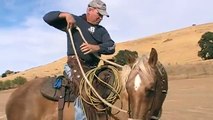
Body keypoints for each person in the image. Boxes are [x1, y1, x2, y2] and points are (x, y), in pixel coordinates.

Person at [43, 0, 115, 119]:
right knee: (84, 94)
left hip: (93, 70)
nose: (101, 18)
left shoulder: (101, 31)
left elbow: (111, 46)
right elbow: (47, 18)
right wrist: (66, 15)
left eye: (102, 15)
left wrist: (96, 48)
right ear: (89, 10)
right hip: (75, 66)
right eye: (99, 14)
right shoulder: (74, 21)